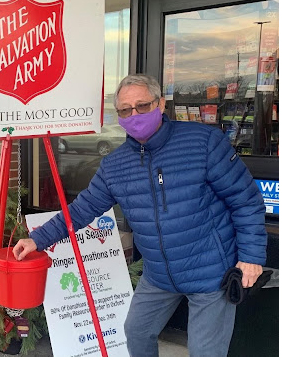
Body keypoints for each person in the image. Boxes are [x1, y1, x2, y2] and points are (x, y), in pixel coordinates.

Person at [13, 74, 267, 357]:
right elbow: (83, 208)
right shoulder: (115, 166)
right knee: (136, 332)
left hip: (210, 273)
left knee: (205, 355)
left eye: (142, 106)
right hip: (159, 275)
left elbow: (245, 200)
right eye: (125, 110)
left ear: (160, 104)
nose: (134, 114)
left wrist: (252, 257)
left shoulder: (203, 142)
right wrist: (38, 239)